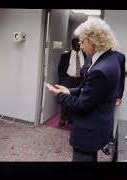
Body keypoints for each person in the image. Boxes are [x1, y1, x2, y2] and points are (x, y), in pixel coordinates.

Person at [46, 17, 120, 162]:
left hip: (89, 130)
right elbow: (87, 89)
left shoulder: (101, 69)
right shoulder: (109, 58)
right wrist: (69, 91)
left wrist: (60, 94)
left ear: (93, 40)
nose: (80, 44)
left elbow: (82, 105)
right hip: (98, 125)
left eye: (82, 41)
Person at [57, 38, 87, 127]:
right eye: (75, 44)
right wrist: (63, 81)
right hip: (69, 79)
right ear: (72, 45)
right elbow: (60, 69)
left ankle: (72, 119)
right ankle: (62, 119)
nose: (77, 46)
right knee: (65, 98)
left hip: (81, 80)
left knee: (78, 99)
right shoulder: (65, 56)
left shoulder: (87, 56)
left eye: (79, 44)